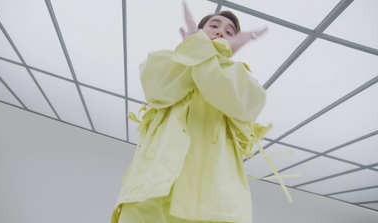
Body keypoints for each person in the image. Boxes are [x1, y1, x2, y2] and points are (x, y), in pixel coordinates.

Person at [111, 3, 292, 223]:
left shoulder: (242, 79)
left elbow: (227, 92)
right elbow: (158, 88)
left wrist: (211, 48)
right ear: (198, 32)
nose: (220, 32)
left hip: (213, 205)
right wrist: (195, 47)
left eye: (229, 32)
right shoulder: (166, 62)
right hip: (149, 195)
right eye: (213, 26)